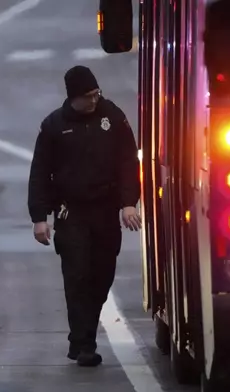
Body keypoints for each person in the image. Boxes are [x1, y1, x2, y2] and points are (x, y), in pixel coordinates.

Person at [27, 65, 141, 367]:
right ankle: (84, 341)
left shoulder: (112, 116)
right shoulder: (54, 125)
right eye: (88, 96)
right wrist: (39, 216)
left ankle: (83, 330)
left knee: (102, 273)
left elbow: (129, 160)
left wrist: (129, 202)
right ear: (74, 97)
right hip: (71, 212)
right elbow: (39, 172)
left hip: (105, 209)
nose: (94, 100)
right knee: (77, 275)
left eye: (96, 94)